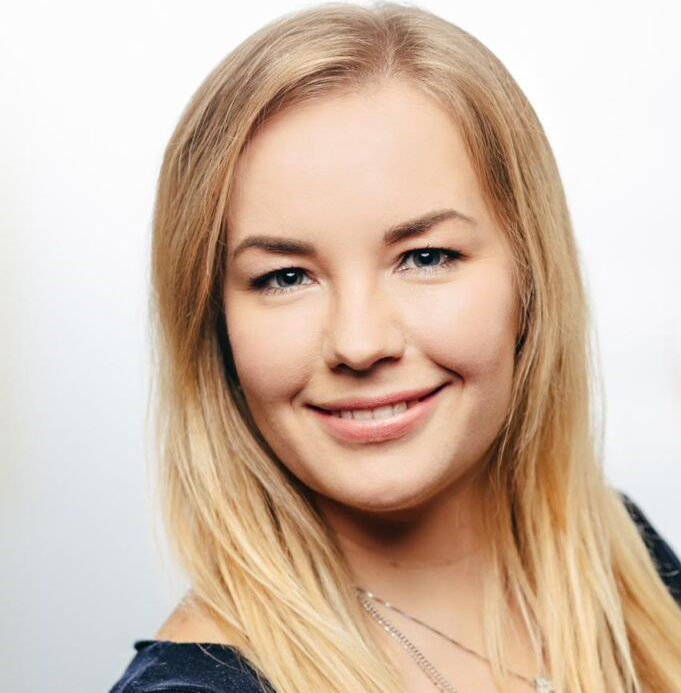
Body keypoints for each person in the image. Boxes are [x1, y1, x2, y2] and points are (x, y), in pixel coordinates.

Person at [107, 3, 681, 693]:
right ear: (214, 324)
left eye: (425, 256)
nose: (359, 343)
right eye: (285, 276)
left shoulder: (625, 559)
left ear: (530, 279)